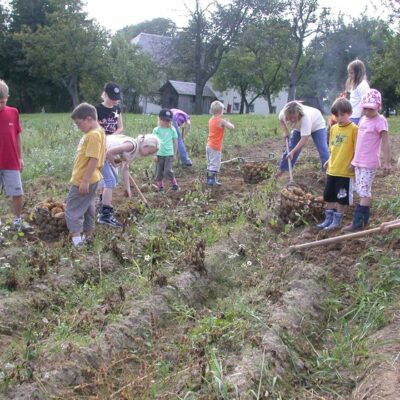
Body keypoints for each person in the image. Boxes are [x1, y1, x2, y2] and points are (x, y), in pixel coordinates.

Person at [342, 89, 391, 233]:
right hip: (359, 161)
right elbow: (360, 143)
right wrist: (354, 161)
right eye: (365, 108)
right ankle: (362, 221)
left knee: (364, 191)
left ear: (378, 107)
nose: (368, 111)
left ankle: (358, 223)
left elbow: (386, 143)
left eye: (371, 109)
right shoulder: (363, 119)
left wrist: (387, 162)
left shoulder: (380, 121)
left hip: (369, 162)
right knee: (360, 190)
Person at [97, 134, 160, 227]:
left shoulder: (132, 150)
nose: (149, 155)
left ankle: (102, 206)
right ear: (145, 146)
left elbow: (125, 168)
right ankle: (105, 215)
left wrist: (128, 189)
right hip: (98, 151)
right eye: (150, 152)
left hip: (101, 152)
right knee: (110, 181)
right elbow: (109, 152)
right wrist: (113, 163)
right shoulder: (132, 146)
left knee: (112, 180)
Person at [66, 103, 106, 247]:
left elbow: (94, 158)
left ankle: (77, 241)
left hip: (85, 179)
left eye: (79, 123)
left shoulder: (93, 135)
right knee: (88, 207)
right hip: (94, 178)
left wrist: (85, 180)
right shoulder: (99, 132)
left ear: (88, 119)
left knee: (72, 208)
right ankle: (88, 237)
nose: (78, 127)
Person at [316, 98, 358, 230]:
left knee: (341, 197)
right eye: (336, 115)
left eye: (342, 114)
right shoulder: (333, 128)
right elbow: (333, 148)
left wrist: (354, 162)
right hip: (332, 169)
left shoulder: (354, 129)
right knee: (329, 196)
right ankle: (328, 219)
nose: (339, 117)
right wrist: (329, 160)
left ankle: (337, 221)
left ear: (349, 113)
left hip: (345, 171)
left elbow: (358, 148)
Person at [0, 79, 33, 233]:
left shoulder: (13, 112)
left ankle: (17, 221)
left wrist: (20, 158)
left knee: (17, 192)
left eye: (2, 102)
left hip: (11, 161)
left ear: (7, 98)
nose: (0, 105)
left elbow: (17, 136)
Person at [276, 101, 330, 177]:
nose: (292, 120)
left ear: (298, 114)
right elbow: (281, 120)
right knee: (290, 148)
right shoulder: (283, 114)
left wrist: (293, 152)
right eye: (290, 117)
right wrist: (285, 131)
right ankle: (282, 171)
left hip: (317, 126)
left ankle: (327, 173)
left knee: (323, 149)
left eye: (294, 117)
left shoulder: (305, 117)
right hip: (299, 127)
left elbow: (304, 139)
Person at [206, 100, 235, 186]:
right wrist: (227, 122)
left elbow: (218, 126)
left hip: (209, 145)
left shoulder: (210, 120)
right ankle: (212, 181)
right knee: (215, 164)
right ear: (221, 111)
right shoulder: (221, 121)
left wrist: (224, 122)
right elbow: (232, 127)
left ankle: (209, 179)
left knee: (210, 163)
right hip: (215, 146)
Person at [153, 108, 179, 192]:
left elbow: (175, 142)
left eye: (168, 120)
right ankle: (161, 187)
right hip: (159, 154)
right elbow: (153, 143)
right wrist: (154, 154)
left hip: (169, 154)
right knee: (158, 172)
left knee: (168, 171)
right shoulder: (156, 130)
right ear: (160, 119)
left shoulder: (172, 129)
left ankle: (174, 184)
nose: (166, 122)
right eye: (164, 120)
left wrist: (175, 154)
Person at [346, 59, 370, 125]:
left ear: (358, 73)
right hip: (352, 116)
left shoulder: (363, 85)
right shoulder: (354, 84)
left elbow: (366, 104)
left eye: (351, 73)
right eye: (349, 73)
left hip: (358, 118)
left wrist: (362, 120)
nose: (349, 75)